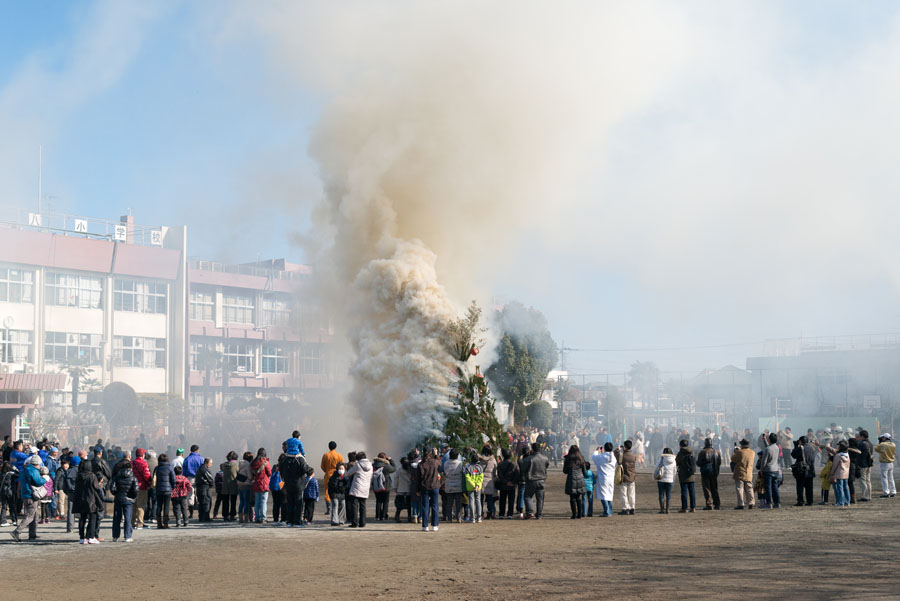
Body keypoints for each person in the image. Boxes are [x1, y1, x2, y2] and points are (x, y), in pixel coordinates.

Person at [10, 455, 48, 542]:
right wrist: (44, 479)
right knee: (30, 516)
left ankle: (32, 535)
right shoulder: (33, 470)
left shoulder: (24, 470)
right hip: (31, 496)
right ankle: (16, 531)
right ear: (37, 463)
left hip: (26, 495)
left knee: (35, 516)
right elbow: (38, 482)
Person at [279, 443, 314, 527]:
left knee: (289, 503)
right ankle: (297, 521)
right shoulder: (300, 460)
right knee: (298, 504)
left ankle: (289, 521)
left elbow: (281, 472)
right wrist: (311, 471)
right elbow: (308, 470)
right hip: (298, 485)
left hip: (288, 485)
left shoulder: (284, 459)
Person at [73, 457, 103, 544]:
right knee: (92, 518)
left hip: (80, 499)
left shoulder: (79, 476)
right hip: (91, 500)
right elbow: (96, 488)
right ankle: (91, 536)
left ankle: (82, 538)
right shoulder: (92, 476)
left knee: (82, 518)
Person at [109, 458, 138, 542]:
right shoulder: (133, 478)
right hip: (128, 501)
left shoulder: (117, 477)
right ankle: (127, 536)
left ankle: (115, 536)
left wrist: (116, 494)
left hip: (118, 499)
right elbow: (136, 490)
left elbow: (112, 488)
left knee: (117, 518)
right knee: (128, 518)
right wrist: (132, 497)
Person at [347, 451, 373, 528]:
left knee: (354, 505)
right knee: (363, 505)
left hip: (357, 487)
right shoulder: (370, 466)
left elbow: (348, 473)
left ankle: (354, 523)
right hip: (365, 487)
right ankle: (362, 522)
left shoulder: (357, 465)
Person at [524, 442, 549, 519]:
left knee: (528, 496)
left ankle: (529, 512)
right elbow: (546, 466)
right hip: (541, 480)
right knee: (540, 499)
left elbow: (524, 469)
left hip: (531, 480)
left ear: (532, 449)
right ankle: (539, 515)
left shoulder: (529, 459)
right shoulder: (545, 458)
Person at [790, 436, 818, 506]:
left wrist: (795, 446)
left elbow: (793, 455)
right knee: (809, 487)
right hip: (810, 469)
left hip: (802, 470)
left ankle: (800, 501)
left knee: (800, 486)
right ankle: (810, 501)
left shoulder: (801, 448)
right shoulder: (812, 448)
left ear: (800, 441)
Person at [756, 433, 781, 509]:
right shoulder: (777, 448)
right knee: (775, 487)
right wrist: (765, 440)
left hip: (768, 471)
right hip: (776, 470)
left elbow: (764, 461)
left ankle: (769, 503)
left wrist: (761, 470)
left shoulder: (767, 449)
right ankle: (777, 503)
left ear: (769, 439)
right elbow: (770, 447)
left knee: (768, 488)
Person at [592, 442, 617, 517]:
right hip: (611, 478)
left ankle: (606, 511)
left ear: (605, 448)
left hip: (603, 478)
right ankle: (610, 510)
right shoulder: (613, 457)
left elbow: (594, 457)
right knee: (609, 494)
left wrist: (597, 450)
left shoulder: (601, 457)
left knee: (603, 495)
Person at [696, 438, 722, 510]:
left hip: (705, 472)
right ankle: (717, 504)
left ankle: (709, 504)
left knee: (707, 488)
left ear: (705, 443)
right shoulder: (717, 452)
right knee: (714, 488)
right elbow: (719, 462)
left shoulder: (702, 452)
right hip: (714, 472)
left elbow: (698, 463)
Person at [563, 445, 588, 519]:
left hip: (571, 478)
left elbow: (565, 471)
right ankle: (580, 514)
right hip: (580, 479)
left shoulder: (568, 459)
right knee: (578, 497)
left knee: (572, 498)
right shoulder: (581, 458)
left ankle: (574, 515)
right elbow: (584, 471)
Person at [320, 441, 344, 515]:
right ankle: (338, 507)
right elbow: (343, 465)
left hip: (328, 475)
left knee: (327, 491)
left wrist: (327, 471)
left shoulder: (325, 455)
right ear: (335, 447)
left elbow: (322, 466)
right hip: (337, 476)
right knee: (338, 491)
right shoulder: (339, 455)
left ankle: (328, 509)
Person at [731, 439, 755, 510]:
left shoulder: (739, 452)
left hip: (740, 473)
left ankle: (741, 504)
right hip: (748, 473)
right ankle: (751, 503)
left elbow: (733, 459)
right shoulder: (752, 452)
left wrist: (735, 452)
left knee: (740, 489)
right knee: (749, 488)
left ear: (742, 445)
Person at [153, 453, 176, 529]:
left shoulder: (157, 468)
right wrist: (173, 488)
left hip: (158, 490)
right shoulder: (169, 468)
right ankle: (165, 524)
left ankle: (159, 524)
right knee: (166, 507)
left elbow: (154, 479)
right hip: (167, 490)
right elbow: (173, 479)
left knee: (159, 506)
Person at [614, 440, 637, 515]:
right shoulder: (633, 456)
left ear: (625, 447)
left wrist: (617, 450)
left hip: (624, 477)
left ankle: (625, 508)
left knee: (624, 493)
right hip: (632, 477)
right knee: (631, 494)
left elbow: (616, 456)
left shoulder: (622, 456)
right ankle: (632, 508)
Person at [131, 448, 152, 530]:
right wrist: (150, 483)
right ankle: (140, 523)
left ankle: (132, 523)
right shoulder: (144, 463)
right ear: (142, 455)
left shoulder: (131, 463)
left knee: (133, 506)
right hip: (142, 487)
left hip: (132, 487)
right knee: (141, 506)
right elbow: (146, 475)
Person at [372, 452, 396, 521]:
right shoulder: (386, 466)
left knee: (378, 501)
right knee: (385, 501)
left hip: (376, 485)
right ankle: (384, 516)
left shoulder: (374, 465)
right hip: (386, 485)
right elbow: (394, 468)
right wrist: (391, 460)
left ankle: (377, 516)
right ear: (385, 458)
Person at [496, 448, 519, 520]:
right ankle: (510, 514)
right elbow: (517, 474)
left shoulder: (500, 465)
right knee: (511, 500)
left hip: (503, 485)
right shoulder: (514, 464)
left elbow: (500, 475)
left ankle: (501, 514)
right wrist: (512, 482)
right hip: (512, 485)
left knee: (502, 500)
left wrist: (505, 482)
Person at [443, 449, 465, 522]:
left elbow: (445, 473)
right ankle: (458, 518)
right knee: (458, 503)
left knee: (449, 503)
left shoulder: (446, 463)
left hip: (449, 485)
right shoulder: (460, 464)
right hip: (458, 485)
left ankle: (449, 518)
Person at [182, 445, 204, 519]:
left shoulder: (187, 459)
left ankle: (191, 514)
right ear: (197, 450)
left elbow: (184, 470)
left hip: (189, 478)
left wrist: (184, 478)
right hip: (199, 478)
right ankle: (200, 512)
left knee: (190, 495)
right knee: (199, 494)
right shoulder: (201, 459)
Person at [675, 439, 697, 513]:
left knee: (684, 492)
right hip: (691, 474)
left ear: (680, 445)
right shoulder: (692, 452)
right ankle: (693, 507)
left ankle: (684, 508)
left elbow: (676, 462)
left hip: (683, 475)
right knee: (692, 491)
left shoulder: (681, 453)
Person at [251, 448, 272, 524]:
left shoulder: (254, 462)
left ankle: (257, 518)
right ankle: (263, 518)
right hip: (264, 484)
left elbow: (253, 473)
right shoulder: (265, 462)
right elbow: (270, 473)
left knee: (257, 502)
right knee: (263, 502)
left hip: (256, 484)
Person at [463, 452, 484, 524]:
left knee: (471, 501)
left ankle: (472, 518)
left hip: (470, 487)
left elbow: (467, 477)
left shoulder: (467, 467)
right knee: (478, 501)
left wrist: (473, 485)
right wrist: (477, 485)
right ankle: (479, 518)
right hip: (478, 487)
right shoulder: (480, 467)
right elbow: (481, 478)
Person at [654, 447, 676, 514]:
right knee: (668, 494)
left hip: (661, 479)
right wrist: (673, 478)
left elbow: (656, 467)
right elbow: (674, 471)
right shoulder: (673, 460)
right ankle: (667, 509)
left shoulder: (661, 459)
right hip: (670, 480)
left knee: (661, 494)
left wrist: (654, 476)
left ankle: (662, 509)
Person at [830, 441, 851, 507]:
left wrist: (831, 474)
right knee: (846, 488)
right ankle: (847, 501)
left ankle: (841, 502)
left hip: (839, 474)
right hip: (846, 473)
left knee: (840, 488)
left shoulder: (838, 455)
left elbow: (834, 466)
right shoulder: (847, 454)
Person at [220, 451, 239, 521]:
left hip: (225, 485)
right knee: (233, 501)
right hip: (233, 484)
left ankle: (225, 515)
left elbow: (221, 469)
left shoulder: (223, 465)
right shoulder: (236, 465)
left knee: (225, 501)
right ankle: (232, 515)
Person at [856, 430, 874, 502]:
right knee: (868, 480)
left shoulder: (862, 444)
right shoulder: (870, 443)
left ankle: (865, 496)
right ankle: (869, 496)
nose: (859, 437)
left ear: (862, 436)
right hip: (869, 464)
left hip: (863, 465)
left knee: (863, 481)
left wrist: (858, 465)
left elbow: (861, 456)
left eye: (860, 436)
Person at [195, 457, 215, 522]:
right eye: (210, 463)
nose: (211, 465)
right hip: (204, 488)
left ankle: (201, 517)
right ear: (207, 463)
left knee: (201, 502)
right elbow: (210, 479)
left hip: (200, 488)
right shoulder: (204, 469)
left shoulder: (200, 468)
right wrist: (211, 485)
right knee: (206, 502)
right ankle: (205, 517)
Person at [237, 451, 254, 523]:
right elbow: (250, 477)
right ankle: (246, 519)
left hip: (239, 484)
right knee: (246, 502)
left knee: (241, 502)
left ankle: (240, 518)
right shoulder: (248, 465)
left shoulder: (239, 464)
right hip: (246, 485)